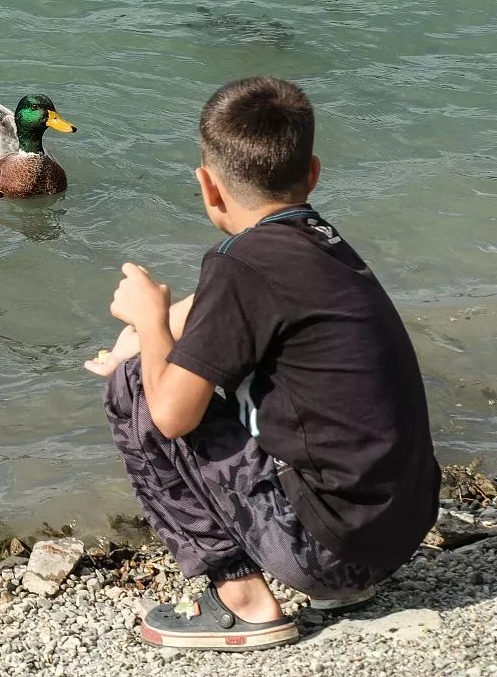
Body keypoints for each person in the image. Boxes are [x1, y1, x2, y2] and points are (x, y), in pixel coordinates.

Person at [86, 76, 440, 651]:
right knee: (146, 366)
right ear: (313, 173)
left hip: (330, 553)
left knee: (134, 392)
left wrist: (150, 323)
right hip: (395, 532)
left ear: (208, 186)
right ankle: (341, 581)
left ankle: (241, 600)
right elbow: (221, 309)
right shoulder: (319, 240)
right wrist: (143, 336)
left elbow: (172, 417)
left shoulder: (239, 264)